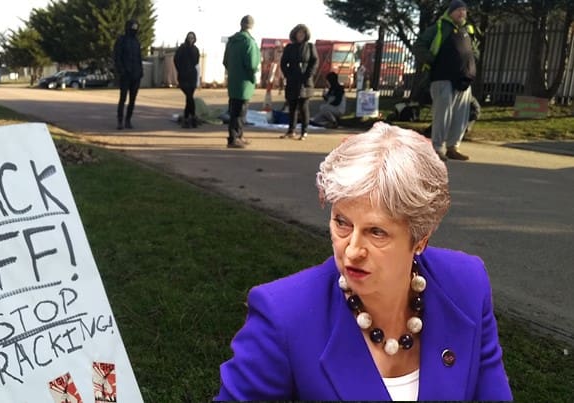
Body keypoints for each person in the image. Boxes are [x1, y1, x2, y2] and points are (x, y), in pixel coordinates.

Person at [215, 122, 512, 401]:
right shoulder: (284, 314)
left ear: (421, 238)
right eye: (342, 223)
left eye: (376, 232)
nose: (352, 250)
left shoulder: (468, 285)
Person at [413, 0, 478, 161]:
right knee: (443, 114)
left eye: (464, 10)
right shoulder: (439, 28)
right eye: (458, 10)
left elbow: (473, 50)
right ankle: (437, 148)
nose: (462, 13)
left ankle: (452, 147)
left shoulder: (467, 30)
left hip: (463, 79)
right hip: (442, 78)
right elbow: (419, 45)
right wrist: (432, 60)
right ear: (450, 12)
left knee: (460, 115)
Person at [223, 15, 261, 149]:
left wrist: (234, 72)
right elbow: (251, 64)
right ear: (251, 26)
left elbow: (225, 61)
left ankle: (239, 136)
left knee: (234, 109)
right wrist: (252, 75)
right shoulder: (249, 42)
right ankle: (234, 138)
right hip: (245, 82)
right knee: (240, 112)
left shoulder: (232, 41)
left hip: (233, 81)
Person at [279, 24, 318, 140]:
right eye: (298, 33)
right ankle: (291, 130)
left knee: (304, 107)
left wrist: (308, 74)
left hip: (305, 82)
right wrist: (288, 74)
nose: (300, 35)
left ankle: (304, 131)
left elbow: (314, 62)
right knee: (292, 107)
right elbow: (283, 63)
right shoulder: (289, 47)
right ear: (294, 34)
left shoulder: (310, 47)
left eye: (302, 33)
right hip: (292, 81)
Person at [113, 18, 143, 130]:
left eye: (136, 27)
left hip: (136, 75)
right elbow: (117, 56)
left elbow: (139, 58)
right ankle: (120, 121)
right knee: (123, 98)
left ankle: (128, 120)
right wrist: (121, 70)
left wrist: (141, 72)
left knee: (132, 100)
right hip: (125, 75)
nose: (134, 29)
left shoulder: (136, 42)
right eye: (133, 27)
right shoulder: (121, 40)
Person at [174, 31, 201, 128]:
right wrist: (180, 70)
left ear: (194, 39)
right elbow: (176, 60)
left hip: (192, 76)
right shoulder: (182, 49)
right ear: (186, 38)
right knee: (189, 97)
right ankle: (192, 117)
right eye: (189, 37)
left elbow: (196, 61)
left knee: (189, 98)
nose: (190, 39)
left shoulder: (195, 50)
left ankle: (186, 118)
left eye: (192, 38)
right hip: (183, 77)